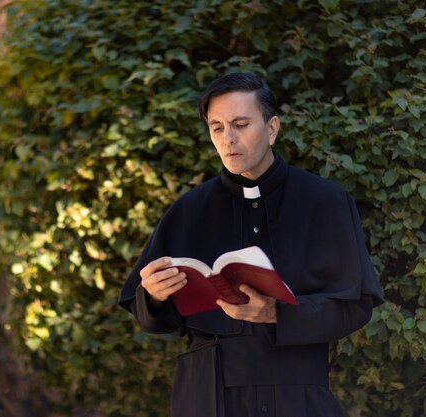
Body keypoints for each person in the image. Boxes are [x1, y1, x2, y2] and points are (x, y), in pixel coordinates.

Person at [118, 72, 384, 417]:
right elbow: (153, 320)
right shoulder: (189, 209)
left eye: (240, 124)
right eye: (217, 128)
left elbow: (355, 307)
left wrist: (278, 314)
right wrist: (153, 296)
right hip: (207, 396)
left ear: (272, 128)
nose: (228, 139)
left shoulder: (325, 201)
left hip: (297, 393)